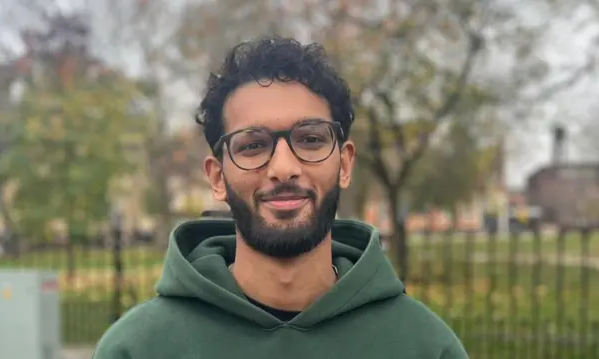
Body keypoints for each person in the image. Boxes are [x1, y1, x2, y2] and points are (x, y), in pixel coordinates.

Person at [92, 36, 468, 359]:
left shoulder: (424, 347)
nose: (283, 167)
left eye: (311, 139)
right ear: (217, 176)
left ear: (345, 163)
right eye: (253, 145)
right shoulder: (138, 349)